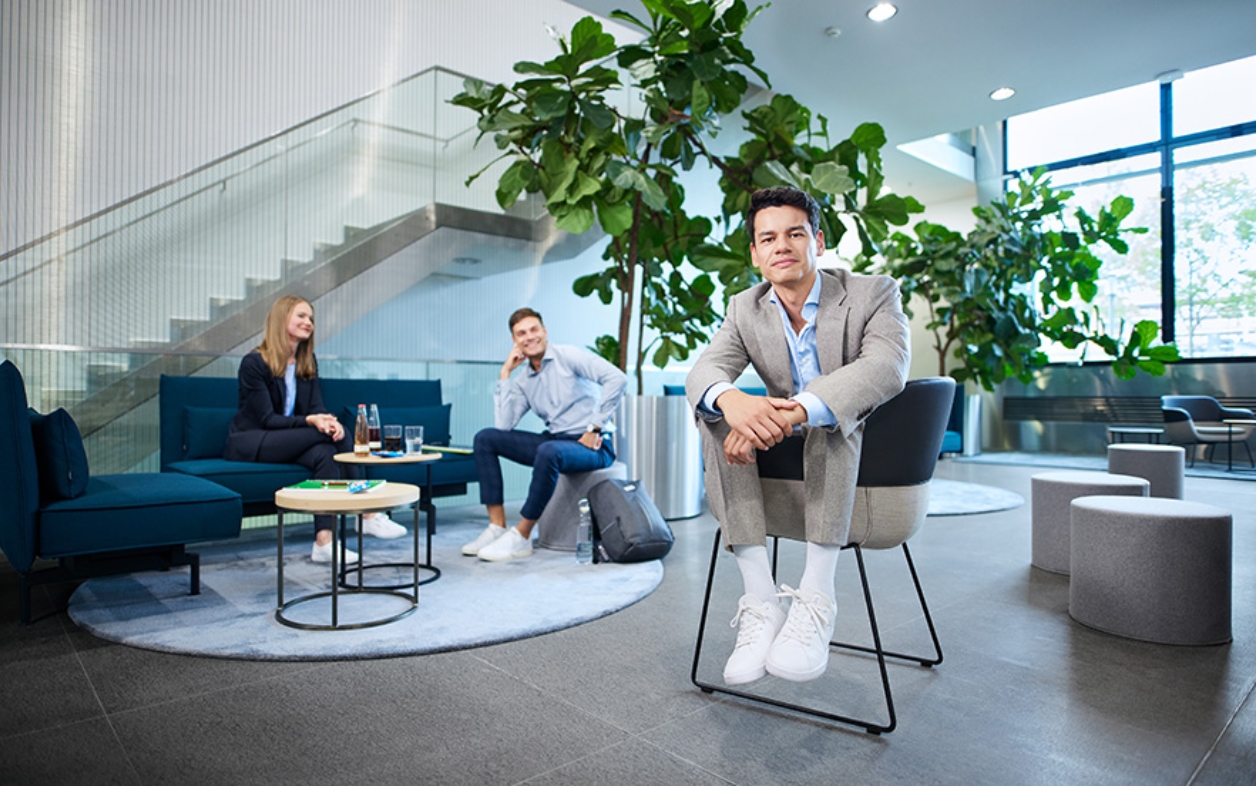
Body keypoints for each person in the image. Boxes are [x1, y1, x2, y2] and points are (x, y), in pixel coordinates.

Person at [685, 186, 909, 685]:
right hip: (786, 454)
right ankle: (761, 600)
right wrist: (733, 403)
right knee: (715, 414)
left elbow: (885, 367)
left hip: (862, 451)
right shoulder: (745, 307)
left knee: (831, 412)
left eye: (794, 233)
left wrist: (791, 414)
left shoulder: (873, 292)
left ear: (819, 242)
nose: (781, 245)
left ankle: (816, 597)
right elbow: (704, 371)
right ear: (755, 253)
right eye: (768, 238)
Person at [224, 295, 407, 564]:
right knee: (327, 435)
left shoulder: (306, 362)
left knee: (326, 451)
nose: (308, 322)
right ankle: (366, 512)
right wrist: (312, 421)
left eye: (310, 318)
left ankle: (324, 542)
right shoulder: (254, 363)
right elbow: (266, 419)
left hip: (288, 440)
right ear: (281, 318)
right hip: (253, 440)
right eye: (301, 316)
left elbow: (317, 407)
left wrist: (328, 422)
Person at [463, 307, 628, 562]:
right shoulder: (523, 379)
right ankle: (497, 527)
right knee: (486, 438)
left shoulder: (568, 355)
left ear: (544, 331)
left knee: (547, 451)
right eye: (521, 333)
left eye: (533, 329)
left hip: (593, 444)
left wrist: (594, 427)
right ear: (514, 341)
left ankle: (522, 535)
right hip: (556, 440)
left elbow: (616, 378)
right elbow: (503, 426)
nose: (529, 337)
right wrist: (505, 374)